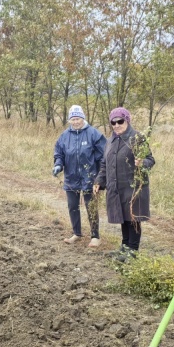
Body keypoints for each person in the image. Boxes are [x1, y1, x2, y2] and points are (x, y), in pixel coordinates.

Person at [93, 107, 155, 260]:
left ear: (127, 120)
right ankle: (124, 247)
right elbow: (104, 164)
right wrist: (99, 181)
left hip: (133, 186)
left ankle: (132, 251)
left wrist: (142, 162)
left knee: (133, 218)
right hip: (117, 187)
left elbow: (150, 160)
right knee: (123, 217)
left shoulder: (137, 138)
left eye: (120, 121)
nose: (116, 125)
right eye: (113, 123)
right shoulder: (110, 141)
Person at [53, 105, 106, 247]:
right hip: (71, 177)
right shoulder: (64, 136)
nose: (76, 122)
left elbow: (103, 157)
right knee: (72, 206)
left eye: (78, 119)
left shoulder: (94, 134)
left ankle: (95, 236)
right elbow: (59, 154)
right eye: (73, 119)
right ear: (69, 120)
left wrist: (100, 176)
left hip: (90, 177)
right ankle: (76, 233)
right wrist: (58, 164)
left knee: (91, 207)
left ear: (83, 118)